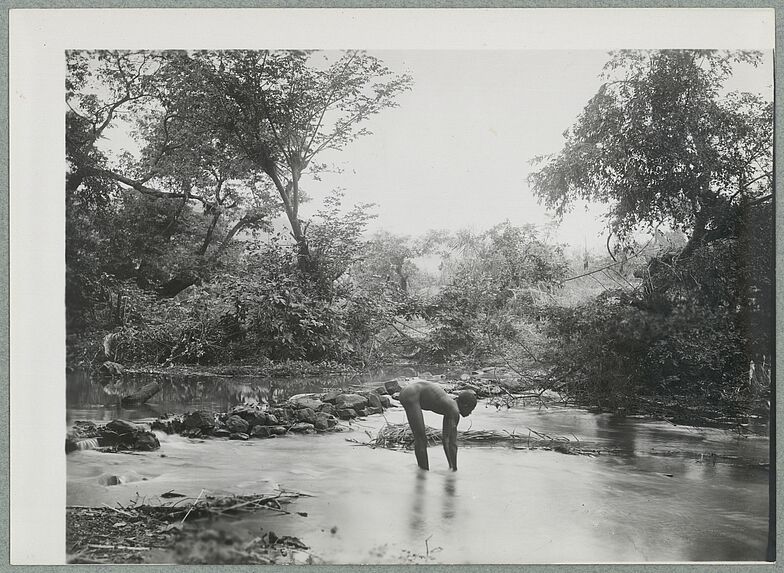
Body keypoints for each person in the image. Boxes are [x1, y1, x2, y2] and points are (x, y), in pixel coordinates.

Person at [398, 381, 477, 471]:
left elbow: (446, 441)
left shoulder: (450, 408)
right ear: (465, 406)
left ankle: (422, 473)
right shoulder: (454, 411)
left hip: (409, 391)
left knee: (420, 439)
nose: (470, 413)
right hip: (411, 394)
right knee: (421, 439)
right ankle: (423, 473)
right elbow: (452, 444)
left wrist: (450, 467)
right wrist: (454, 470)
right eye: (471, 410)